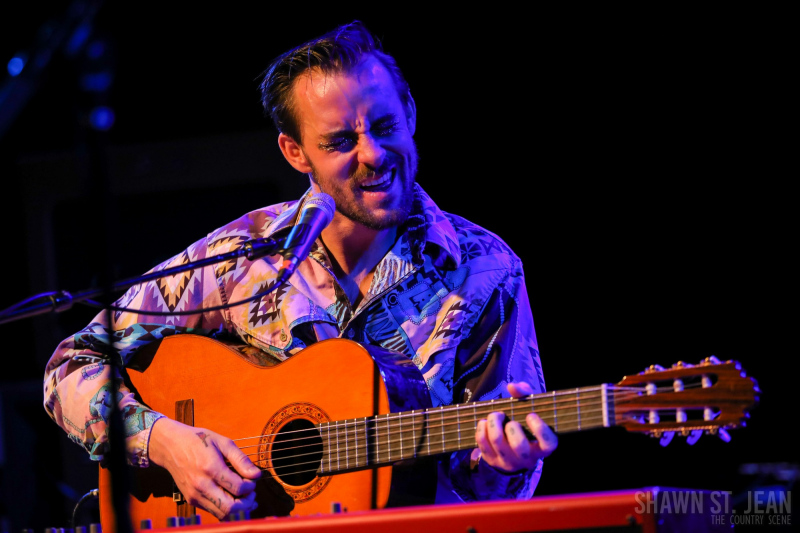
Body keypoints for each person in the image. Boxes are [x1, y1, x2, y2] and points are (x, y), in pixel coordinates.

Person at [43, 20, 558, 520]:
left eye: (385, 127)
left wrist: (506, 463)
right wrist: (169, 443)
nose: (373, 154)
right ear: (295, 152)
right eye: (339, 142)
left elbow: (495, 490)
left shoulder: (486, 269)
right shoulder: (241, 257)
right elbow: (70, 365)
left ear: (411, 114)